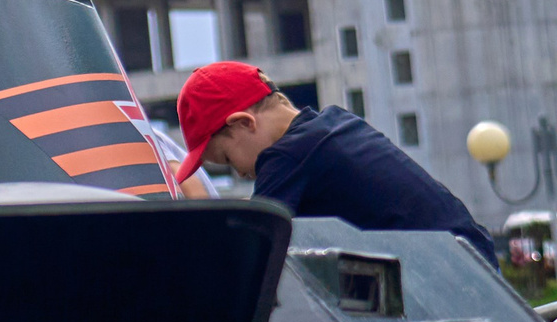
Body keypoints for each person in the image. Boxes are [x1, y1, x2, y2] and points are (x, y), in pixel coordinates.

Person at [174, 61, 496, 263]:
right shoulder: (334, 125)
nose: (241, 171)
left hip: (442, 273)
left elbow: (255, 247)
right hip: (469, 254)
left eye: (228, 159)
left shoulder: (287, 156)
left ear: (244, 123)